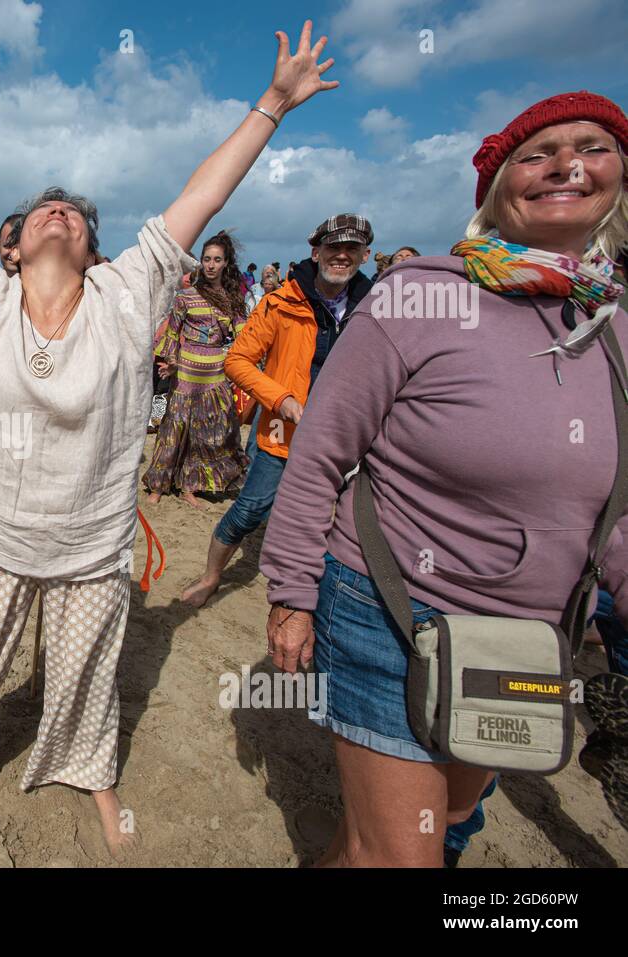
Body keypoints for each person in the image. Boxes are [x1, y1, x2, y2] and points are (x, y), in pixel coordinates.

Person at [0, 21, 337, 854]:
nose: (61, 211)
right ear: (12, 244)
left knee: (87, 677)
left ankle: (90, 770)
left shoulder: (128, 294)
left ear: (95, 248)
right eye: (41, 210)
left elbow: (203, 197)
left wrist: (272, 103)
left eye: (78, 214)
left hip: (93, 539)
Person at [259, 91, 628, 866]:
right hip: (389, 609)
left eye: (592, 146)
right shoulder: (420, 294)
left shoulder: (616, 325)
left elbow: (615, 507)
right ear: (496, 188)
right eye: (537, 153)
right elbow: (322, 449)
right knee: (403, 854)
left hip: (530, 635)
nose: (566, 163)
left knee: (445, 825)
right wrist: (291, 591)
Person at [180, 213, 374, 607]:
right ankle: (211, 575)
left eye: (350, 249)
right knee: (252, 506)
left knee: (340, 521)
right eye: (333, 247)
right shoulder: (280, 303)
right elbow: (237, 360)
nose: (341, 256)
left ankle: (322, 598)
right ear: (316, 252)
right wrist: (281, 399)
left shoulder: (375, 310)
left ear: (365, 255)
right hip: (282, 431)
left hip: (347, 437)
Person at [143, 230, 250, 506]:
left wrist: (246, 364)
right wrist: (168, 361)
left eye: (217, 260)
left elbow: (245, 337)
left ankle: (191, 486)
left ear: (226, 263)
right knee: (174, 428)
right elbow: (172, 332)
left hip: (216, 375)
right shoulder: (185, 297)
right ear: (201, 262)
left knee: (206, 432)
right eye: (207, 259)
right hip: (186, 374)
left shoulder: (233, 300)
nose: (211, 265)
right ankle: (159, 484)